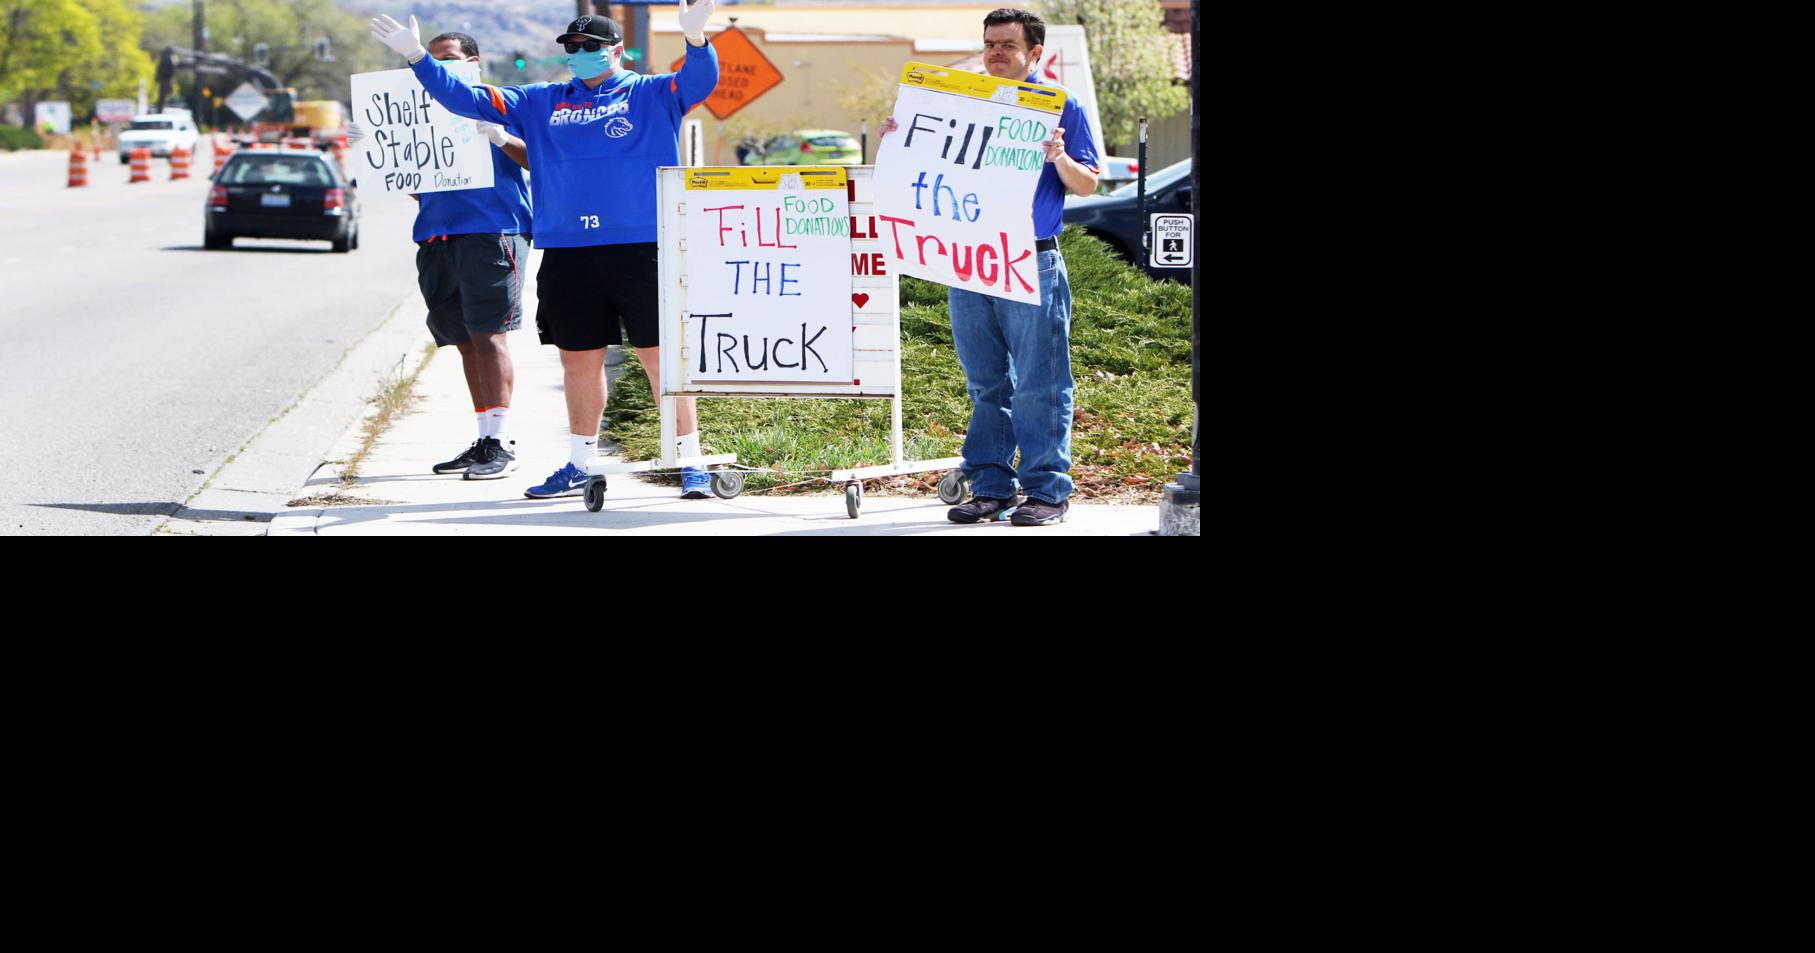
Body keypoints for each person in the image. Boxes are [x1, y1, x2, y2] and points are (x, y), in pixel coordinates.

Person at [370, 1, 722, 500]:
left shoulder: (650, 92)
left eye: (591, 47)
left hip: (641, 245)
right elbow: (465, 98)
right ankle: (580, 462)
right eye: (572, 48)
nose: (580, 54)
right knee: (579, 362)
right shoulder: (541, 100)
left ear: (617, 50)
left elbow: (699, 83)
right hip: (569, 249)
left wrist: (696, 41)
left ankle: (691, 461)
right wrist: (416, 59)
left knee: (660, 358)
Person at [881, 8, 1099, 525]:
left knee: (1041, 384)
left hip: (1031, 259)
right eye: (990, 44)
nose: (996, 52)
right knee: (985, 383)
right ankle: (991, 486)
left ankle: (1047, 492)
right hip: (970, 263)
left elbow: (1088, 182)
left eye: (1007, 44)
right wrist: (900, 135)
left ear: (1036, 53)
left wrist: (1059, 158)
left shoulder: (1058, 105)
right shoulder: (960, 100)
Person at [352, 31, 535, 480]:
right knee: (465, 340)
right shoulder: (424, 115)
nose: (437, 65)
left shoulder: (504, 105)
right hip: (437, 237)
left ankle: (502, 442)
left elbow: (539, 160)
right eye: (431, 59)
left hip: (493, 232)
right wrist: (372, 151)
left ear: (474, 61)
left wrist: (497, 136)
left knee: (490, 335)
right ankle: (485, 437)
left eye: (448, 58)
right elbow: (420, 186)